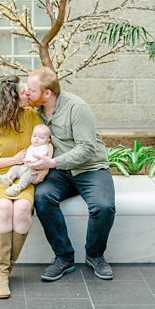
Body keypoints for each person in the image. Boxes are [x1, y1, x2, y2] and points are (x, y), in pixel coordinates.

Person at [26, 65, 117, 282]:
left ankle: (95, 255)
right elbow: (13, 100)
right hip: (60, 171)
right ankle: (63, 257)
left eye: (31, 89)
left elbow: (87, 148)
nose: (27, 93)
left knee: (104, 207)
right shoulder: (35, 109)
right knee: (42, 197)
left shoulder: (77, 108)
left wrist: (52, 162)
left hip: (90, 168)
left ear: (47, 93)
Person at [0, 73, 43, 300]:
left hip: (24, 177)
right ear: (11, 98)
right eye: (22, 90)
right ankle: (3, 276)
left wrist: (41, 167)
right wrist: (13, 161)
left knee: (23, 209)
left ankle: (2, 271)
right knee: (4, 208)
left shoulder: (32, 116)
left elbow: (46, 142)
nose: (27, 93)